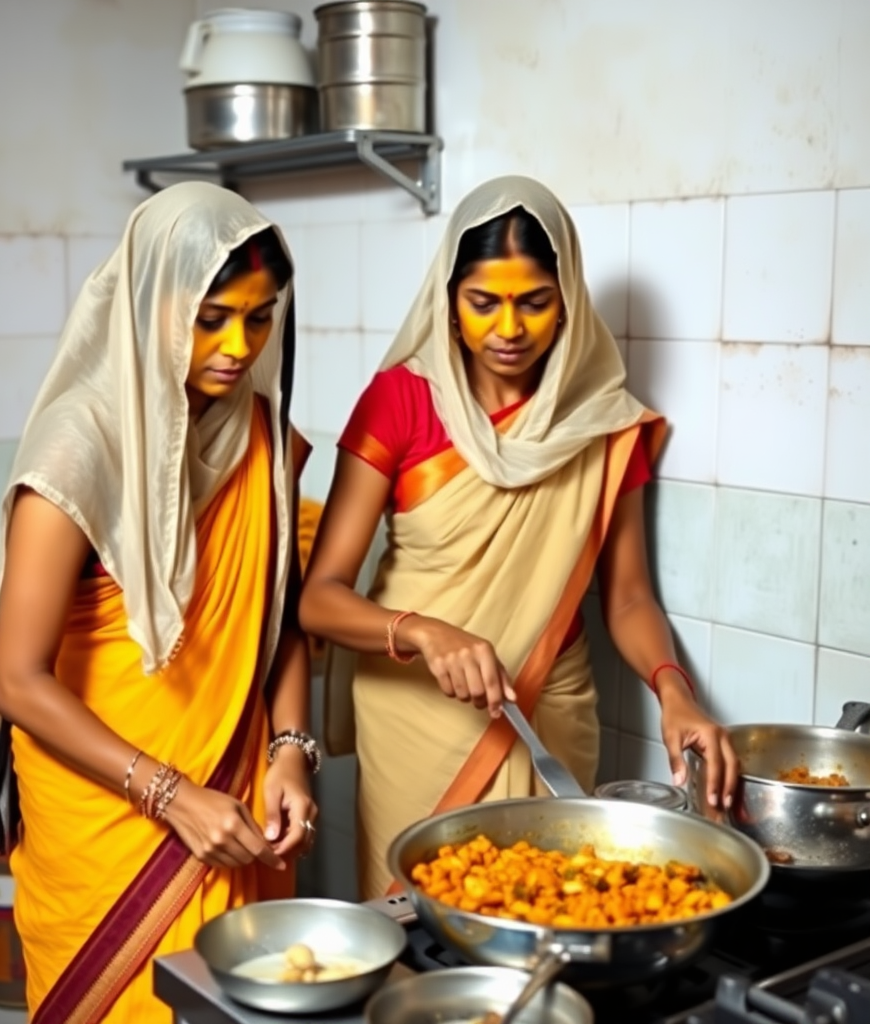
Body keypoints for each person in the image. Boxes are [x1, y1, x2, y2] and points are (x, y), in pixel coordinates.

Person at [299, 175, 739, 900]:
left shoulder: (604, 424)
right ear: (448, 299)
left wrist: (675, 693)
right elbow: (319, 600)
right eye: (483, 303)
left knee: (553, 914)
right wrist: (424, 632)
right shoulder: (401, 401)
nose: (509, 329)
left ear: (567, 299)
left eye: (535, 302)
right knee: (417, 933)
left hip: (550, 708)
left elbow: (627, 598)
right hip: (417, 711)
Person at [0, 182, 319, 1023]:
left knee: (233, 1004)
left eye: (260, 316)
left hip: (230, 797)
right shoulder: (79, 447)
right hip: (104, 809)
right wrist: (170, 796)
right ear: (150, 305)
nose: (238, 346)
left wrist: (287, 749)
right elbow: (17, 682)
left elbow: (276, 621)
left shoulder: (264, 441)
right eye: (211, 317)